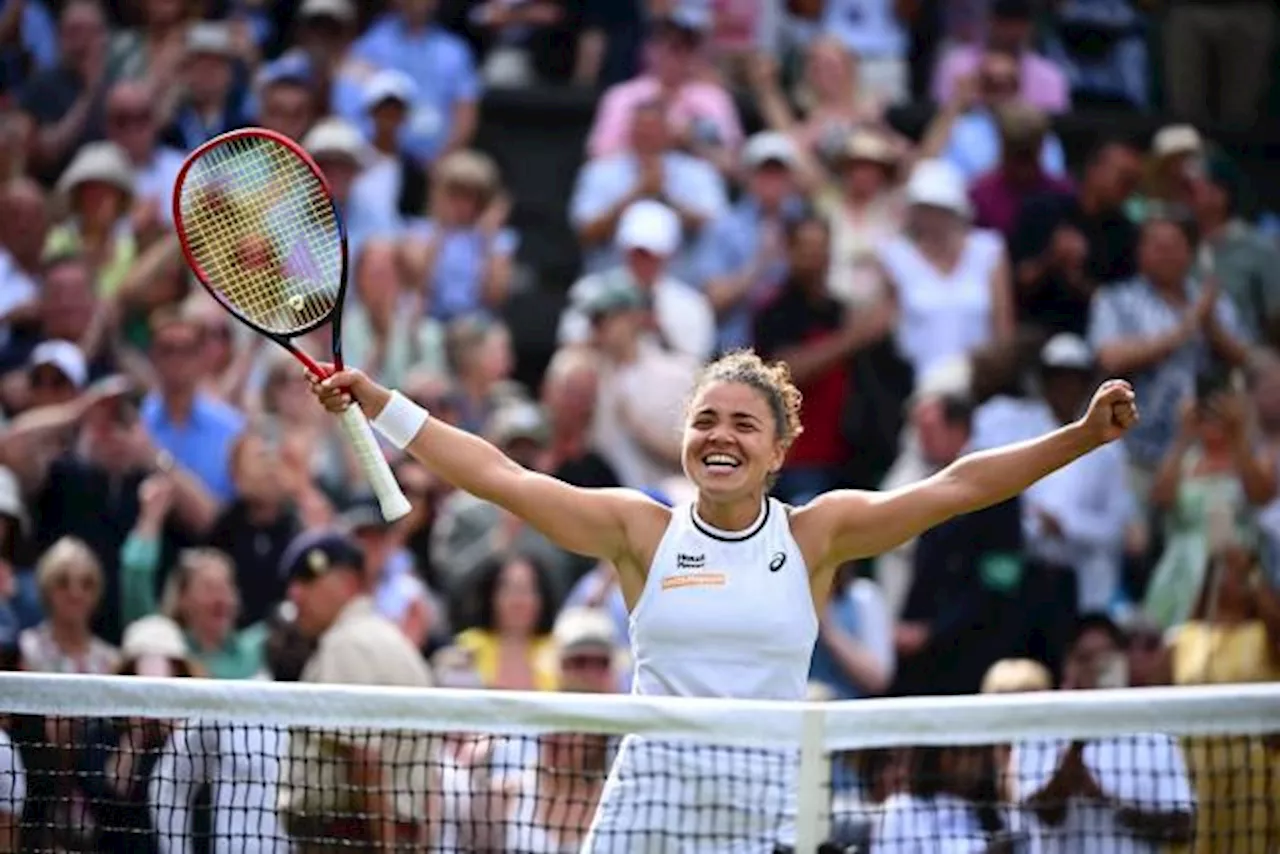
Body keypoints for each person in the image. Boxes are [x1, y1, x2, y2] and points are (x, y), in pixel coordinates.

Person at [308, 348, 1139, 853]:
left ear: (779, 450)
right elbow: (502, 476)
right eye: (706, 419)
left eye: (746, 424)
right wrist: (381, 403)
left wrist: (1080, 437)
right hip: (647, 814)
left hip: (761, 819)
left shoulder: (818, 535)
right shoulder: (641, 530)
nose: (721, 435)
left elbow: (958, 486)